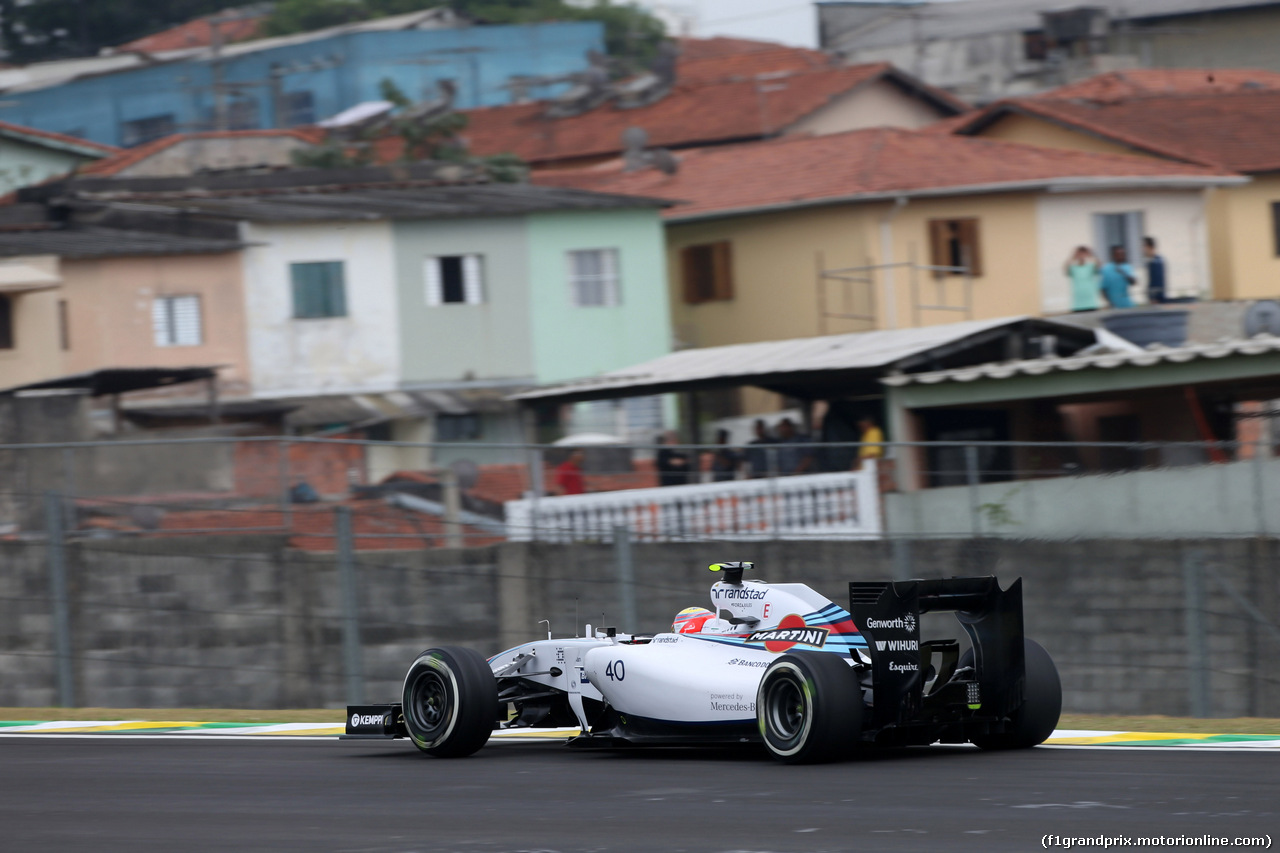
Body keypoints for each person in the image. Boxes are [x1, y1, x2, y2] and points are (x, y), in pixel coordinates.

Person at [1064, 245, 1101, 311]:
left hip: (1091, 303)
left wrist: (1092, 254)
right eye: (1080, 254)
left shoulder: (1090, 266)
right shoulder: (1073, 268)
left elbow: (1100, 266)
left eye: (1083, 254)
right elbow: (1065, 269)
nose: (1081, 256)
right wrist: (1072, 256)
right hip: (1077, 305)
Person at [1144, 236, 1167, 304]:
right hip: (1155, 299)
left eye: (1144, 247)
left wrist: (1154, 297)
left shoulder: (1156, 261)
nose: (1142, 249)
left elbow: (1158, 281)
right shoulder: (1152, 261)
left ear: (1149, 247)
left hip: (1157, 300)